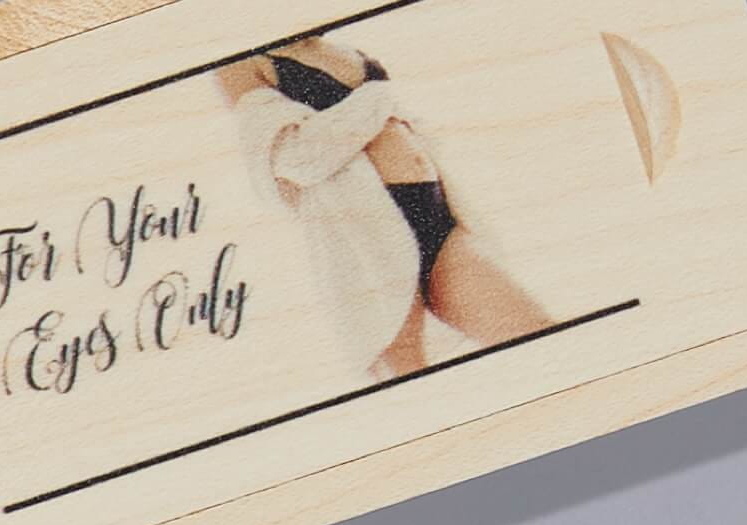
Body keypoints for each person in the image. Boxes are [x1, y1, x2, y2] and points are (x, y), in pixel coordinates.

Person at [219, 36, 548, 379]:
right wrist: (378, 98)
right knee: (408, 378)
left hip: (437, 216)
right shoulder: (244, 62)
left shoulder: (341, 45)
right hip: (364, 234)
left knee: (534, 332)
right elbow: (297, 157)